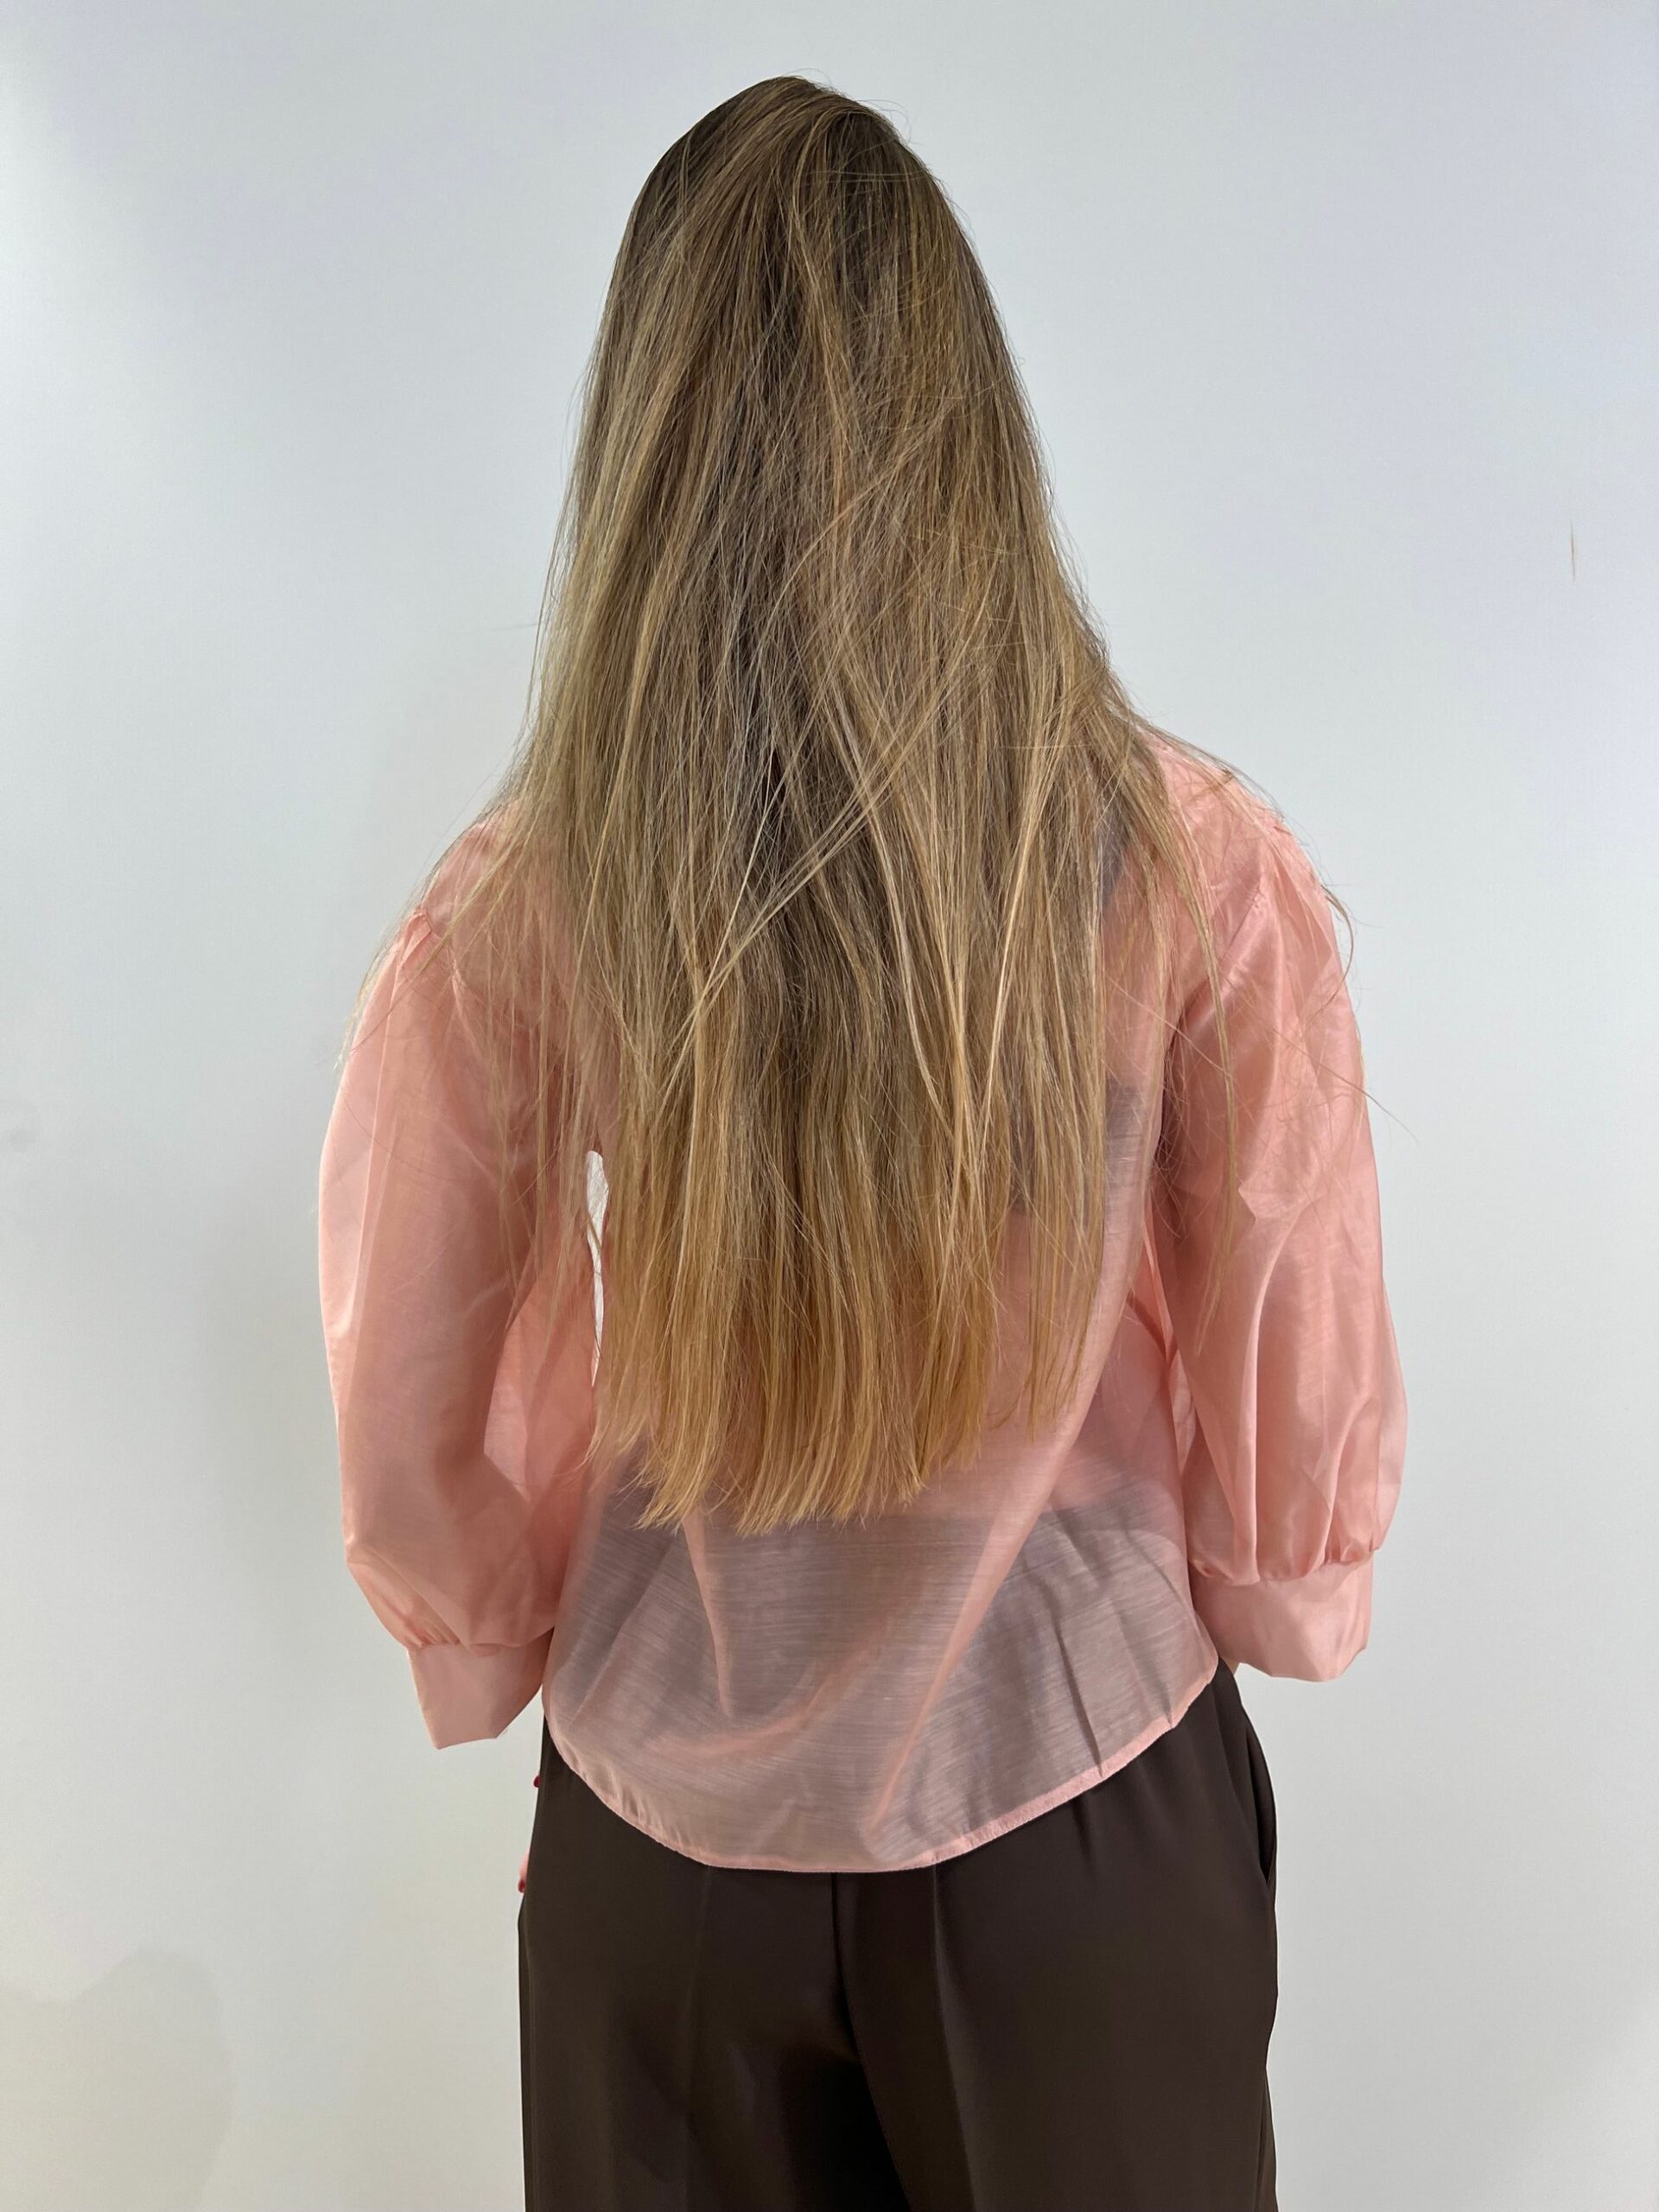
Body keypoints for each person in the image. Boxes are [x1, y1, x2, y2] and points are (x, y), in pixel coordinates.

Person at [317, 74, 1406, 2212]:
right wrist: (1283, 1571)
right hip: (1078, 1805)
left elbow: (415, 1397)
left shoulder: (526, 910)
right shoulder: (1184, 864)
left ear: (646, 443)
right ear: (963, 419)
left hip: (667, 1836)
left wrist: (489, 1622)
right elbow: (1295, 1334)